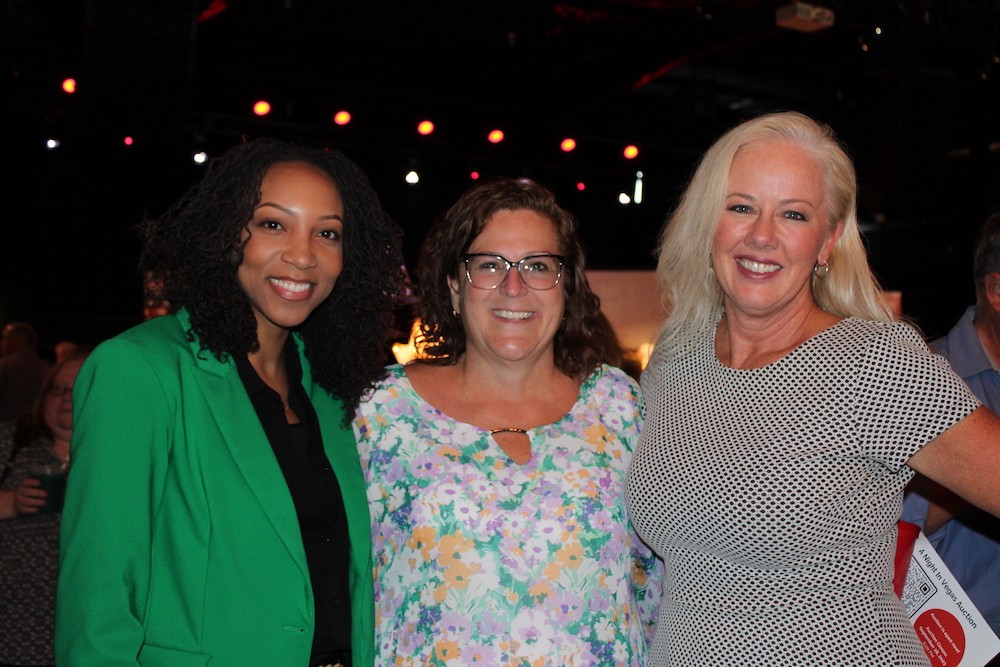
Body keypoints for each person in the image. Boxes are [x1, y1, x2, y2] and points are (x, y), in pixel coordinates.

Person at [626, 111, 1000, 666]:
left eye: (793, 214)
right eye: (741, 207)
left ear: (827, 241)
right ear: (708, 223)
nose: (761, 235)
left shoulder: (874, 362)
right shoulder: (676, 356)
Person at [55, 137, 405, 667]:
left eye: (327, 233)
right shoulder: (140, 369)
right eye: (273, 224)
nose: (303, 255)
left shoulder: (332, 390)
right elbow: (97, 599)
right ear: (224, 233)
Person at [353, 177, 663, 666]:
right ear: (455, 286)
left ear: (566, 286)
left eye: (538, 266)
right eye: (489, 265)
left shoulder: (619, 405)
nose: (513, 287)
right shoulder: (382, 411)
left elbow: (655, 579)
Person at [901, 211, 1000, 646]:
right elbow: (884, 526)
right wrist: (973, 469)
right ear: (996, 291)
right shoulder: (924, 377)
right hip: (947, 641)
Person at [0, 347, 90, 667]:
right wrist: (13, 501)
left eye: (77, 389)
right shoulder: (12, 442)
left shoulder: (119, 457)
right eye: (58, 389)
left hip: (88, 628)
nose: (65, 398)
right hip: (13, 627)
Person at [0, 322, 52, 423]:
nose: (2, 343)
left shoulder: (5, 366)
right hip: (34, 427)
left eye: (5, 338)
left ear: (17, 340)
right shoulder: (46, 369)